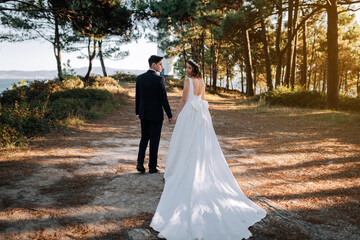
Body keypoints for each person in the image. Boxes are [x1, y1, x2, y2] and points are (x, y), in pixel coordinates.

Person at [150, 59, 266, 239]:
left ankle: (184, 168)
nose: (186, 70)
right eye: (186, 68)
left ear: (193, 69)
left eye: (189, 68)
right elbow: (202, 99)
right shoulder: (202, 82)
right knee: (198, 143)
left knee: (185, 142)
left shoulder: (188, 81)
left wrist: (175, 116)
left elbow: (183, 99)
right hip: (200, 116)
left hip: (190, 114)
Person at [135, 55, 173, 174]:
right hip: (156, 115)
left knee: (144, 138)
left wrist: (138, 113)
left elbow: (138, 97)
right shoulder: (159, 79)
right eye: (160, 64)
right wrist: (170, 115)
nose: (162, 66)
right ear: (153, 65)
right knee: (154, 140)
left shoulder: (140, 78)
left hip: (144, 114)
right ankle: (152, 167)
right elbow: (164, 99)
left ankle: (140, 164)